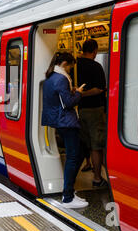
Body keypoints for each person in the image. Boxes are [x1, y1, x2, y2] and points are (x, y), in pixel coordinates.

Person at [42, 52, 88, 209]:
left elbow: (59, 99)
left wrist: (71, 91)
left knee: (78, 153)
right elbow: (67, 103)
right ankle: (68, 197)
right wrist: (79, 94)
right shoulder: (61, 79)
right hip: (67, 122)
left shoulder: (50, 78)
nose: (70, 70)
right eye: (70, 67)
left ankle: (69, 191)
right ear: (64, 64)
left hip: (59, 122)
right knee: (73, 157)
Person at [74, 39, 108, 188]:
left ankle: (80, 170)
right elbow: (100, 89)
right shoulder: (96, 67)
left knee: (84, 142)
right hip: (95, 109)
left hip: (80, 109)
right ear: (94, 50)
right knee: (96, 144)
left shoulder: (75, 66)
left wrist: (78, 96)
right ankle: (97, 178)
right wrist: (84, 94)